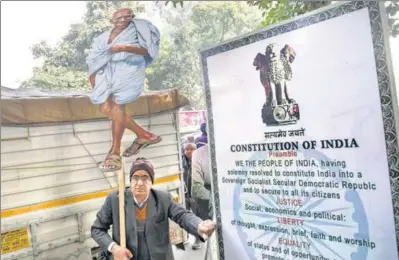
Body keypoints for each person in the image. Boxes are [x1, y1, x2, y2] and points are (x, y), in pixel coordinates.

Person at [91, 157, 216, 260]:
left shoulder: (163, 198)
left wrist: (199, 225)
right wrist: (114, 248)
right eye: (135, 178)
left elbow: (182, 215)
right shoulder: (115, 200)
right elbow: (97, 229)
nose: (139, 183)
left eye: (145, 178)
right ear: (130, 180)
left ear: (152, 182)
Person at [86, 8, 162, 172]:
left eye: (126, 16)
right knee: (104, 107)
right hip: (107, 72)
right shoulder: (102, 37)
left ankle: (114, 153)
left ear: (132, 18)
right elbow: (95, 57)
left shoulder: (138, 31)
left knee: (117, 108)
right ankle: (144, 135)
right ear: (112, 18)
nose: (121, 19)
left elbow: (147, 50)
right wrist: (94, 77)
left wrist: (125, 48)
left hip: (128, 71)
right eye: (118, 16)